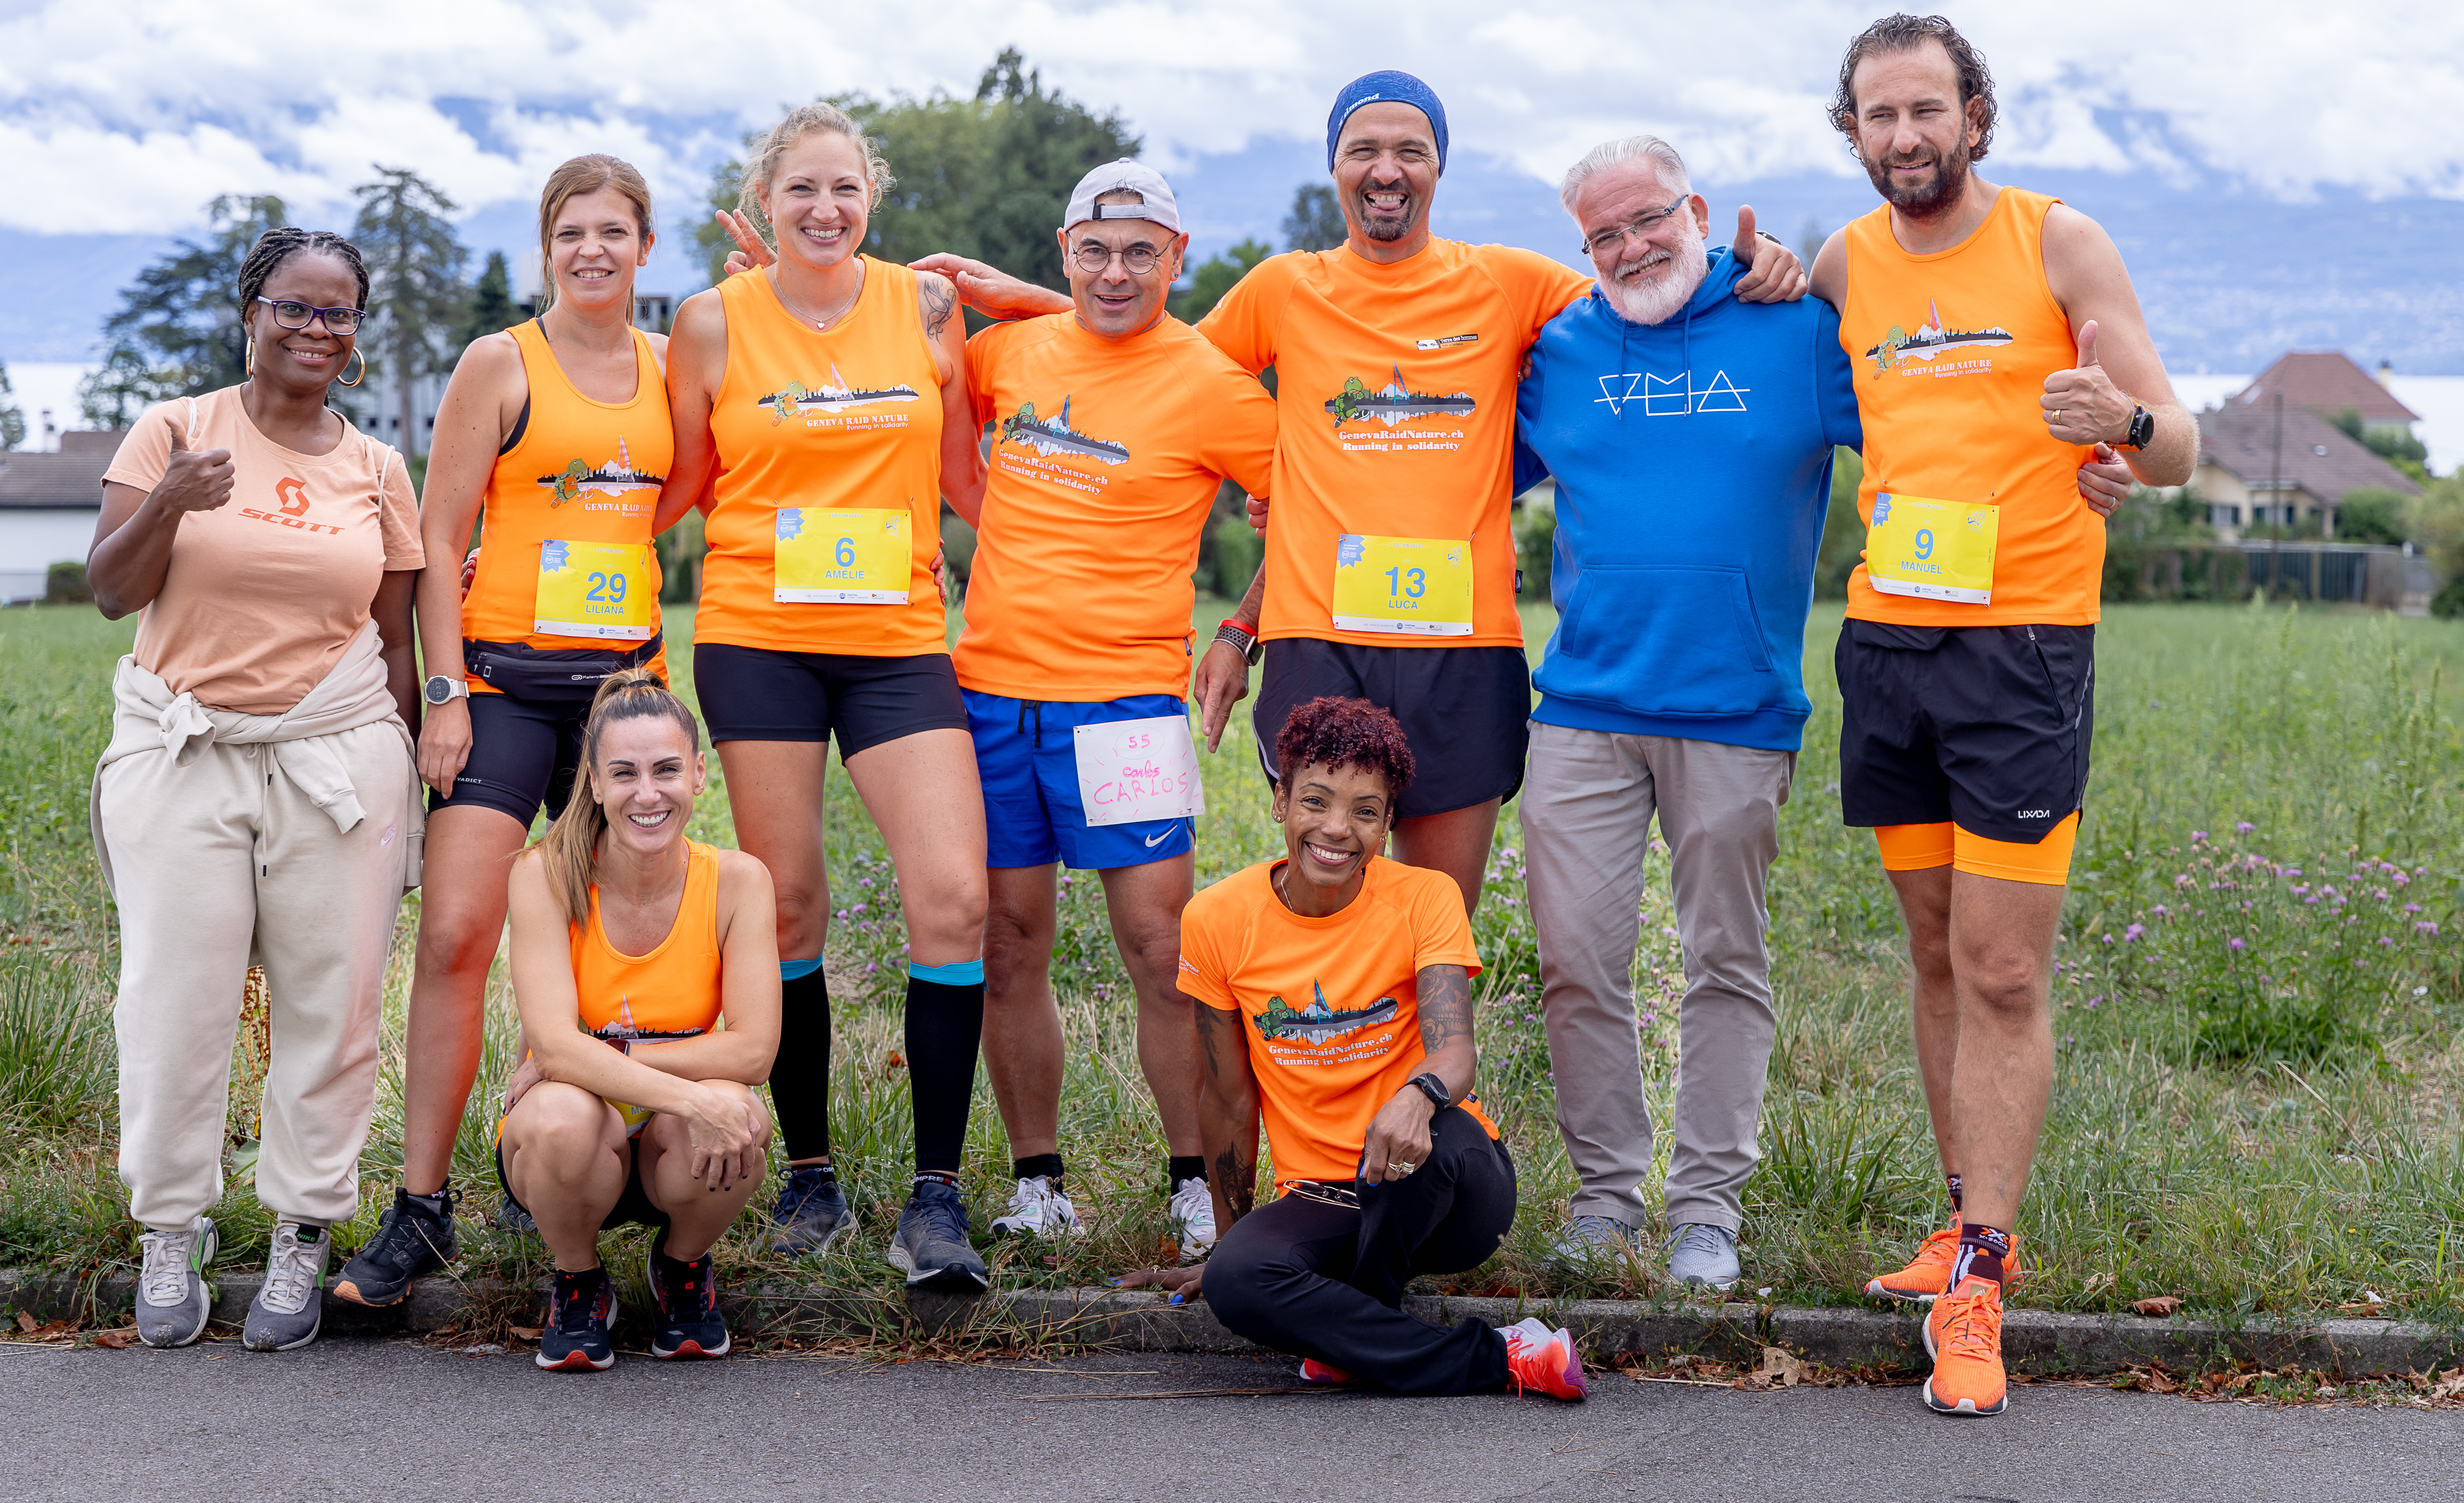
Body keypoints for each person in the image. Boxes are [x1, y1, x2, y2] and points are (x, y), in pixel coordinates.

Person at [1512, 136, 2137, 1294]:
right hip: (1583, 708)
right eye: (1604, 234)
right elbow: (1439, 467)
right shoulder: (1558, 351)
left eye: (1650, 219)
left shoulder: (1795, 331)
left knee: (1723, 962)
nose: (1632, 247)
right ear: (1582, 247)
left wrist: (2096, 454)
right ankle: (1605, 1203)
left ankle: (1707, 1213)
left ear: (1699, 210)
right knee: (1576, 962)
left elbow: (1945, 422)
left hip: (1737, 712)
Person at [1808, 14, 2197, 1416]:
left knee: (2003, 969)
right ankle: (1962, 1215)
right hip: (1887, 641)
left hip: (2023, 650)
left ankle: (1978, 1279)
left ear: (1974, 113)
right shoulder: (1844, 262)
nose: (1904, 135)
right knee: (1931, 949)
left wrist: (2120, 427)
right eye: (1878, 114)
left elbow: (2178, 442)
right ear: (1852, 132)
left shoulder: (2056, 241)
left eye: (1927, 108)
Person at [1191, 71, 1806, 915]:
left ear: (1439, 167)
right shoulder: (1281, 288)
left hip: (1464, 647)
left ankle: (1432, 1014)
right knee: (1328, 903)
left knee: (1437, 915)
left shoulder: (1510, 282)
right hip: (1320, 642)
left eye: (1411, 150)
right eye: (1363, 149)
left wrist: (1755, 255)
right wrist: (1256, 559)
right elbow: (1164, 379)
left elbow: (1649, 287)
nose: (1387, 170)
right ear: (1333, 166)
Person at [901, 160, 1277, 1255]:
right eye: (1097, 251)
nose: (1117, 272)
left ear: (1177, 257)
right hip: (992, 694)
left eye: (1141, 252)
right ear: (1066, 253)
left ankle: (1197, 1184)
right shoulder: (1011, 351)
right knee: (1009, 942)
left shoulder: (1212, 382)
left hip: (1126, 708)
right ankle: (1040, 1185)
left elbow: (1309, 506)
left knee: (1162, 949)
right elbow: (916, 408)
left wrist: (1241, 627)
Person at [336, 154, 674, 1310]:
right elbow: (437, 536)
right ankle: (421, 1204)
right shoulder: (500, 361)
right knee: (457, 936)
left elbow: (684, 498)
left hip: (622, 696)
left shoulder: (672, 367)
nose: (592, 250)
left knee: (604, 943)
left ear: (645, 248)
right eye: (571, 232)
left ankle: (561, 1165)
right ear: (547, 247)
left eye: (613, 232)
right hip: (502, 690)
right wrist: (444, 693)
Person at [666, 102, 993, 1289]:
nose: (824, 207)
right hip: (760, 639)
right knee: (789, 903)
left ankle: (936, 1196)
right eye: (801, 188)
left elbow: (968, 481)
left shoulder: (928, 306)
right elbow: (674, 484)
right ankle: (810, 1176)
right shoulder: (711, 321)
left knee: (953, 898)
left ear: (872, 198)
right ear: (765, 199)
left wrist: (1100, 531)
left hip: (898, 642)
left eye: (844, 188)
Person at [85, 227, 426, 1351]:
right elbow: (109, 590)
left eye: (338, 313)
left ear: (357, 332)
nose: (316, 329)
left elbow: (394, 640)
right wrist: (170, 502)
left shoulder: (378, 469)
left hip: (337, 759)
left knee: (334, 1004)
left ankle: (302, 1226)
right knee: (173, 1001)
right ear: (251, 312)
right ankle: (169, 1227)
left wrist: (404, 785)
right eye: (295, 306)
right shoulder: (175, 431)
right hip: (185, 750)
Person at [1118, 697, 1586, 1401]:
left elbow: (1455, 1054)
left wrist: (1416, 1098)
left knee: (1416, 1150)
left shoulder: (1425, 897)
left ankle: (1350, 1331)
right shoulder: (1217, 918)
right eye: (1316, 801)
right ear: (1280, 801)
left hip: (1446, 1185)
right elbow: (1228, 1099)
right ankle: (1499, 1354)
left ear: (1388, 823)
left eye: (1366, 811)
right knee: (1238, 1280)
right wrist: (1230, 1242)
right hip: (1324, 1198)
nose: (1337, 828)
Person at [497, 670, 779, 1371]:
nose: (647, 794)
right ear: (593, 782)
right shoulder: (542, 874)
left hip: (674, 1147)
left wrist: (603, 1054)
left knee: (740, 1112)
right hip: (574, 1136)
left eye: (666, 770)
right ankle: (578, 1279)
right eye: (624, 773)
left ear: (699, 774)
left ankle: (681, 1266)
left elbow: (753, 1052)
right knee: (559, 1116)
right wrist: (688, 1089)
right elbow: (553, 1048)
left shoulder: (740, 881)